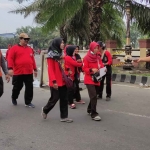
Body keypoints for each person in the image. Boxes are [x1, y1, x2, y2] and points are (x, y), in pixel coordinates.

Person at [41, 37, 73, 123]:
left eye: (63, 43)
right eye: (61, 43)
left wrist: (68, 68)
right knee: (54, 99)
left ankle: (64, 117)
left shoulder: (61, 54)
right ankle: (45, 110)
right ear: (56, 44)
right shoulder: (51, 56)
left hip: (63, 80)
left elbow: (63, 65)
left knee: (64, 99)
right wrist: (54, 81)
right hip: (56, 81)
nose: (63, 44)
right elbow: (50, 70)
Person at [8, 33, 37, 107]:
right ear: (20, 39)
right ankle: (14, 97)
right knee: (17, 87)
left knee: (29, 87)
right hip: (18, 72)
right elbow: (10, 59)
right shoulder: (14, 48)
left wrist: (35, 69)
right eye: (25, 39)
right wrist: (10, 68)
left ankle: (28, 102)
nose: (27, 41)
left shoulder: (30, 49)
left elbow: (32, 59)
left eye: (28, 39)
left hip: (28, 72)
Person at [83, 41, 104, 121]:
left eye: (97, 48)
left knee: (94, 95)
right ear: (91, 48)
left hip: (97, 78)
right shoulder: (86, 58)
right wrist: (91, 69)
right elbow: (84, 69)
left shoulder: (98, 57)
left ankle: (89, 109)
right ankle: (94, 114)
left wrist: (102, 69)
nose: (96, 49)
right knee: (94, 95)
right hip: (89, 79)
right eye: (94, 48)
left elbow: (101, 65)